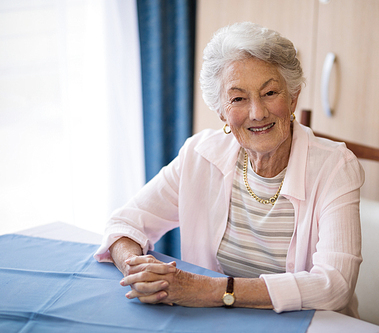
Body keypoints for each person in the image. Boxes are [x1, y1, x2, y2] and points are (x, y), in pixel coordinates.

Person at [94, 22, 364, 317]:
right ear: (221, 110)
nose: (257, 112)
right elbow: (124, 223)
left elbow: (334, 285)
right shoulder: (200, 156)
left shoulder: (335, 167)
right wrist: (139, 271)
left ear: (293, 98)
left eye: (270, 92)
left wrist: (205, 290)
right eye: (238, 98)